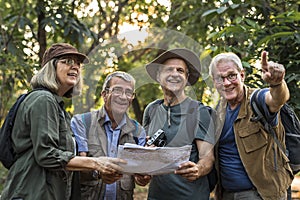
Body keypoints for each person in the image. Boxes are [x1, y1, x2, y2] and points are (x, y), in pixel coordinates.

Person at [0, 43, 126, 200]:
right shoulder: (43, 100)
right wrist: (96, 163)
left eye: (78, 64)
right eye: (67, 61)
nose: (75, 67)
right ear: (50, 68)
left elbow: (65, 165)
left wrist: (98, 173)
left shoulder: (58, 107)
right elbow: (46, 155)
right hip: (31, 193)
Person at [209, 51, 294, 200]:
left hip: (261, 194)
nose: (227, 83)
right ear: (214, 82)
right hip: (226, 194)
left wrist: (277, 84)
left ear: (242, 75)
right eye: (220, 78)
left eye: (231, 75)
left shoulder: (256, 100)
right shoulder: (218, 112)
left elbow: (276, 100)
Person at [140, 48, 216, 200]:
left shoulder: (199, 111)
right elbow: (146, 153)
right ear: (158, 76)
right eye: (169, 69)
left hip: (191, 196)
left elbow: (208, 159)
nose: (175, 74)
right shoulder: (151, 110)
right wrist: (142, 174)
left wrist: (198, 169)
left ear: (186, 78)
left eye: (180, 70)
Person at [70, 71, 147, 200]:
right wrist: (98, 173)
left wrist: (142, 177)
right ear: (104, 95)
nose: (123, 97)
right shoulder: (82, 122)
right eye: (117, 90)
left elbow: (139, 172)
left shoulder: (138, 131)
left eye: (128, 92)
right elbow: (76, 166)